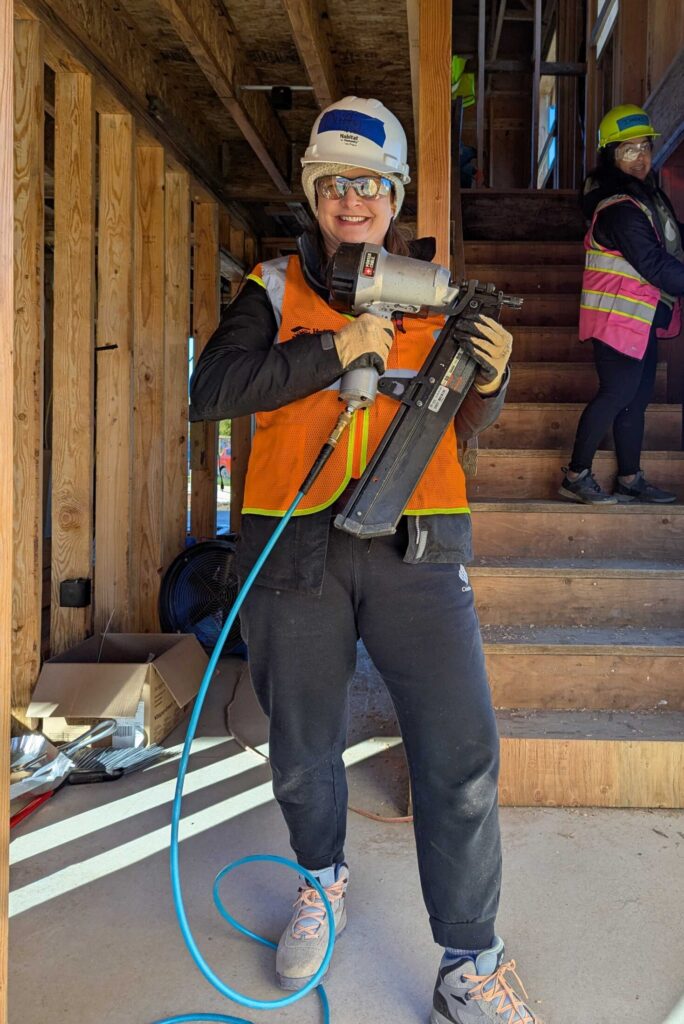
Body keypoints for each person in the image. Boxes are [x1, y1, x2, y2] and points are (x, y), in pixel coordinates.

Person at [191, 96, 542, 1024]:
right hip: (292, 542)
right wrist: (333, 349)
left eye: (372, 185)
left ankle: (469, 962)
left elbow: (466, 426)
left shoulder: (438, 291)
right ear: (315, 194)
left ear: (395, 197)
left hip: (418, 543)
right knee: (303, 747)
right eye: (335, 183)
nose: (354, 200)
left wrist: (496, 378)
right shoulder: (272, 288)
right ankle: (321, 880)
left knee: (461, 749)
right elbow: (212, 389)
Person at [560, 103, 684, 505]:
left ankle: (630, 478)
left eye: (645, 147)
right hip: (617, 321)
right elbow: (654, 264)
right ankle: (576, 475)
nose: (640, 158)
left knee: (636, 398)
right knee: (617, 394)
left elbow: (673, 239)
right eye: (629, 150)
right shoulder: (619, 208)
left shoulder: (645, 198)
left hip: (638, 319)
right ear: (611, 155)